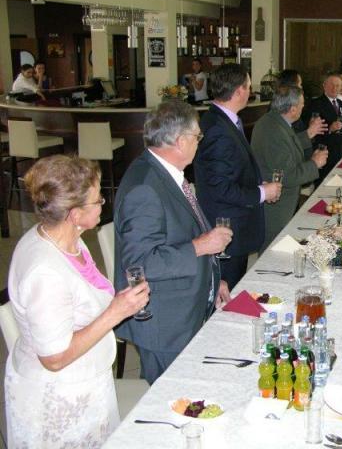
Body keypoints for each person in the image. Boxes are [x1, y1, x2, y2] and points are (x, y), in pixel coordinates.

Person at [5, 155, 150, 447]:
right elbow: (54, 358)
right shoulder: (45, 272)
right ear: (74, 214)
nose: (103, 204)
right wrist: (115, 313)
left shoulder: (68, 238)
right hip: (60, 400)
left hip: (86, 384)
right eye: (97, 200)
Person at [114, 100, 232, 384]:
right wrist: (201, 246)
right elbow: (140, 264)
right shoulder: (145, 187)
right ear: (180, 141)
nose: (199, 143)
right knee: (176, 398)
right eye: (197, 137)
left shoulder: (166, 173)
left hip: (184, 306)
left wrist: (212, 280)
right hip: (165, 323)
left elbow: (178, 235)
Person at [195, 63, 281, 290]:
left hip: (235, 225)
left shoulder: (224, 120)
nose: (250, 91)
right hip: (227, 228)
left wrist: (259, 186)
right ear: (239, 90)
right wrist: (262, 193)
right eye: (249, 86)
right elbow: (220, 188)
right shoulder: (217, 129)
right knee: (227, 293)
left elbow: (233, 172)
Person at [251, 85, 328, 249]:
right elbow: (288, 175)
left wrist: (308, 134)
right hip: (276, 208)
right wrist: (314, 163)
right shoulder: (273, 131)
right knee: (273, 251)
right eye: (301, 104)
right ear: (293, 109)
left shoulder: (275, 121)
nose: (303, 107)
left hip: (280, 203)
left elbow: (287, 146)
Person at [303, 73, 342, 181]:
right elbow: (311, 132)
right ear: (324, 85)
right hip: (324, 154)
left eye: (337, 85)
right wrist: (330, 129)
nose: (334, 88)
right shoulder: (315, 104)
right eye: (331, 84)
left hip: (339, 153)